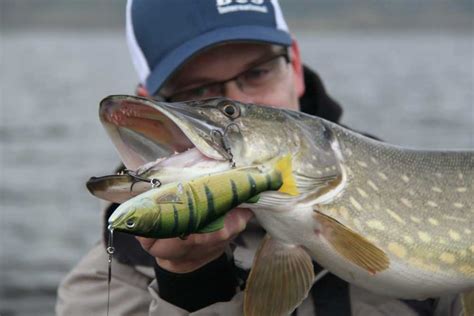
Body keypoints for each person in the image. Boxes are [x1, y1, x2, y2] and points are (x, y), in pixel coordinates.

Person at [56, 1, 462, 315]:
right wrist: (189, 285)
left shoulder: (401, 189)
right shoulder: (99, 291)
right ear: (153, 107)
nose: (239, 99)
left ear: (295, 66)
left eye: (257, 72)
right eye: (196, 93)